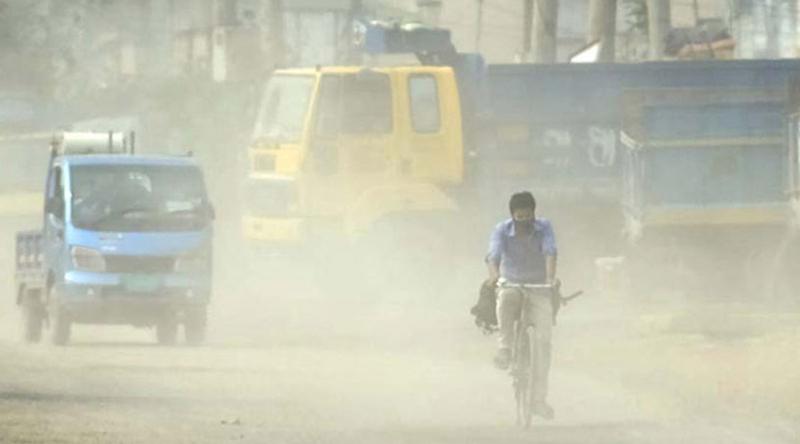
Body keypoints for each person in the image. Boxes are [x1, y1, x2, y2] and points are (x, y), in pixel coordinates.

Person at [485, 191, 558, 420]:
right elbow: (493, 255)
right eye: (519, 217)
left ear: (534, 214)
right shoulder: (501, 230)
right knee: (505, 299)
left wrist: (550, 278)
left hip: (538, 286)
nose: (524, 221)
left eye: (528, 216)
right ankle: (505, 348)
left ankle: (538, 400)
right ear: (512, 216)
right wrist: (495, 276)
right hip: (512, 283)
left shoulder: (544, 227)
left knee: (544, 343)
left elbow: (550, 252)